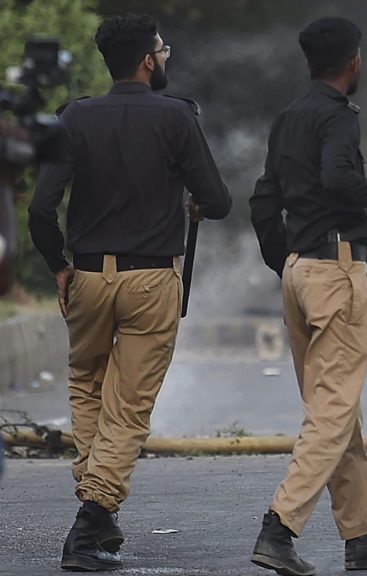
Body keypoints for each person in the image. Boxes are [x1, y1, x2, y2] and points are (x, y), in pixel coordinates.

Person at [27, 13, 231, 572]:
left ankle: (99, 506)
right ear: (147, 59)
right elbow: (217, 200)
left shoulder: (73, 117)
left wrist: (58, 267)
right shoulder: (177, 116)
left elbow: (41, 209)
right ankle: (90, 525)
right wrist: (192, 203)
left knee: (87, 386)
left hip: (88, 277)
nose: (166, 57)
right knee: (129, 408)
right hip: (151, 280)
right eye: (163, 50)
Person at [248, 17, 367, 574]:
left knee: (337, 409)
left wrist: (288, 263)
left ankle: (362, 538)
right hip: (335, 274)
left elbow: (262, 200)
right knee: (331, 412)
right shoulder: (337, 118)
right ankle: (279, 528)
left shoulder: (288, 118)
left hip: (301, 273)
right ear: (353, 62)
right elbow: (338, 180)